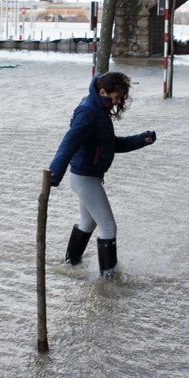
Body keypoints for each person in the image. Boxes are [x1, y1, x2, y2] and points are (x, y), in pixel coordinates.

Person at [48, 71, 156, 277]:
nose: (118, 102)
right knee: (108, 227)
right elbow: (69, 141)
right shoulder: (88, 111)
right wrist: (55, 172)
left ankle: (70, 266)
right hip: (84, 178)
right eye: (116, 97)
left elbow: (111, 144)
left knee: (88, 222)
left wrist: (142, 140)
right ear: (103, 91)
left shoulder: (99, 108)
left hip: (88, 176)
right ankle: (109, 280)